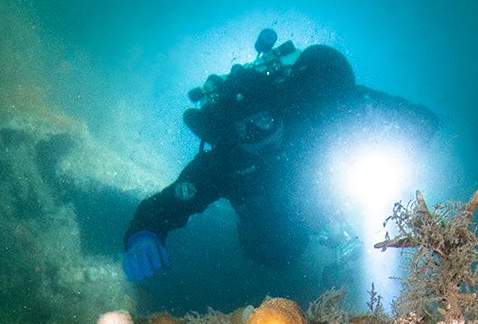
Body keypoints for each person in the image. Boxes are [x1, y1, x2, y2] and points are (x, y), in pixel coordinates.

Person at [122, 30, 438, 284]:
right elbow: (166, 206)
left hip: (324, 198)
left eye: (263, 120)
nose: (258, 136)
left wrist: (409, 123)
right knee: (269, 250)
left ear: (281, 110)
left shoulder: (311, 114)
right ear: (230, 134)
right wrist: (144, 233)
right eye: (244, 129)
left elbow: (366, 105)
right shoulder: (224, 162)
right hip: (270, 226)